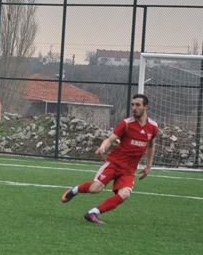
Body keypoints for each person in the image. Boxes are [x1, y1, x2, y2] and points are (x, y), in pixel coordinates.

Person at [61, 94, 158, 225]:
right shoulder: (126, 124)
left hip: (129, 170)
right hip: (114, 163)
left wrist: (148, 166)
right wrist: (102, 147)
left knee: (125, 194)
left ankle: (93, 213)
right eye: (132, 105)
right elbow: (110, 139)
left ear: (146, 107)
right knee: (96, 189)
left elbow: (151, 145)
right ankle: (74, 190)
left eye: (138, 105)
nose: (134, 108)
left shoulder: (153, 127)